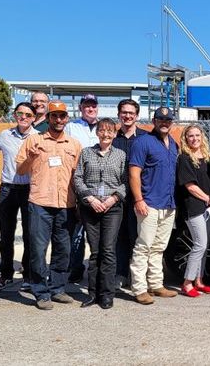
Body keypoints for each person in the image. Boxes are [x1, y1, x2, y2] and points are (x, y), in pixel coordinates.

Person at [15, 101, 83, 310]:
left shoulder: (74, 144)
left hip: (66, 204)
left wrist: (80, 202)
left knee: (63, 249)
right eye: (55, 116)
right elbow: (20, 170)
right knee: (37, 249)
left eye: (62, 116)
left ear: (67, 118)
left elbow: (79, 176)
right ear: (48, 118)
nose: (59, 120)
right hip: (40, 203)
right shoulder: (34, 141)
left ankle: (58, 289)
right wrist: (31, 157)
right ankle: (40, 291)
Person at [0, 102, 38, 292]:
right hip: (8, 189)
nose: (23, 117)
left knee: (30, 234)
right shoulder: (5, 135)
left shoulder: (39, 137)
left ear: (33, 118)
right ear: (15, 115)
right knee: (6, 235)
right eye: (20, 113)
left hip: (30, 189)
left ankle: (28, 275)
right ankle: (5, 274)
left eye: (28, 115)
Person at [73, 118, 127, 309]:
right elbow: (78, 178)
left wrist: (113, 198)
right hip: (91, 207)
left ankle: (107, 294)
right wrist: (90, 199)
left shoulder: (121, 155)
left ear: (114, 134)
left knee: (108, 250)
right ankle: (93, 293)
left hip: (112, 208)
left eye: (110, 131)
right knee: (95, 252)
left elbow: (125, 182)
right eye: (102, 130)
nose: (106, 134)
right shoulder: (87, 153)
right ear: (97, 133)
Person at [128, 107, 179, 304]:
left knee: (159, 247)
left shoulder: (173, 144)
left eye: (167, 120)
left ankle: (156, 284)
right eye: (160, 119)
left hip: (168, 203)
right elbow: (134, 173)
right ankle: (139, 288)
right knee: (143, 247)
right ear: (154, 120)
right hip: (149, 203)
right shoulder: (143, 142)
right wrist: (139, 200)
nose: (164, 122)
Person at [176, 124, 210, 297]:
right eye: (190, 136)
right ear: (186, 139)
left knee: (205, 245)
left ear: (202, 137)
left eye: (197, 135)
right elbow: (190, 186)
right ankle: (187, 283)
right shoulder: (185, 159)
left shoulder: (207, 157)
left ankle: (199, 281)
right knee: (199, 244)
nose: (194, 139)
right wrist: (208, 198)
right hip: (193, 206)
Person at [64, 93, 101, 282]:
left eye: (93, 105)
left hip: (99, 185)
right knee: (76, 232)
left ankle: (97, 269)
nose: (90, 108)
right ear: (81, 107)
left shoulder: (104, 127)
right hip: (77, 182)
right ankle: (76, 268)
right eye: (87, 105)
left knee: (97, 231)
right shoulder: (72, 126)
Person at [112, 99, 147, 287]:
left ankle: (138, 276)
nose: (127, 116)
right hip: (116, 195)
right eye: (124, 112)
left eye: (131, 113)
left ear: (137, 116)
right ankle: (120, 274)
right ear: (119, 115)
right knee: (119, 235)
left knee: (138, 236)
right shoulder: (112, 138)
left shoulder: (145, 138)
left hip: (139, 196)